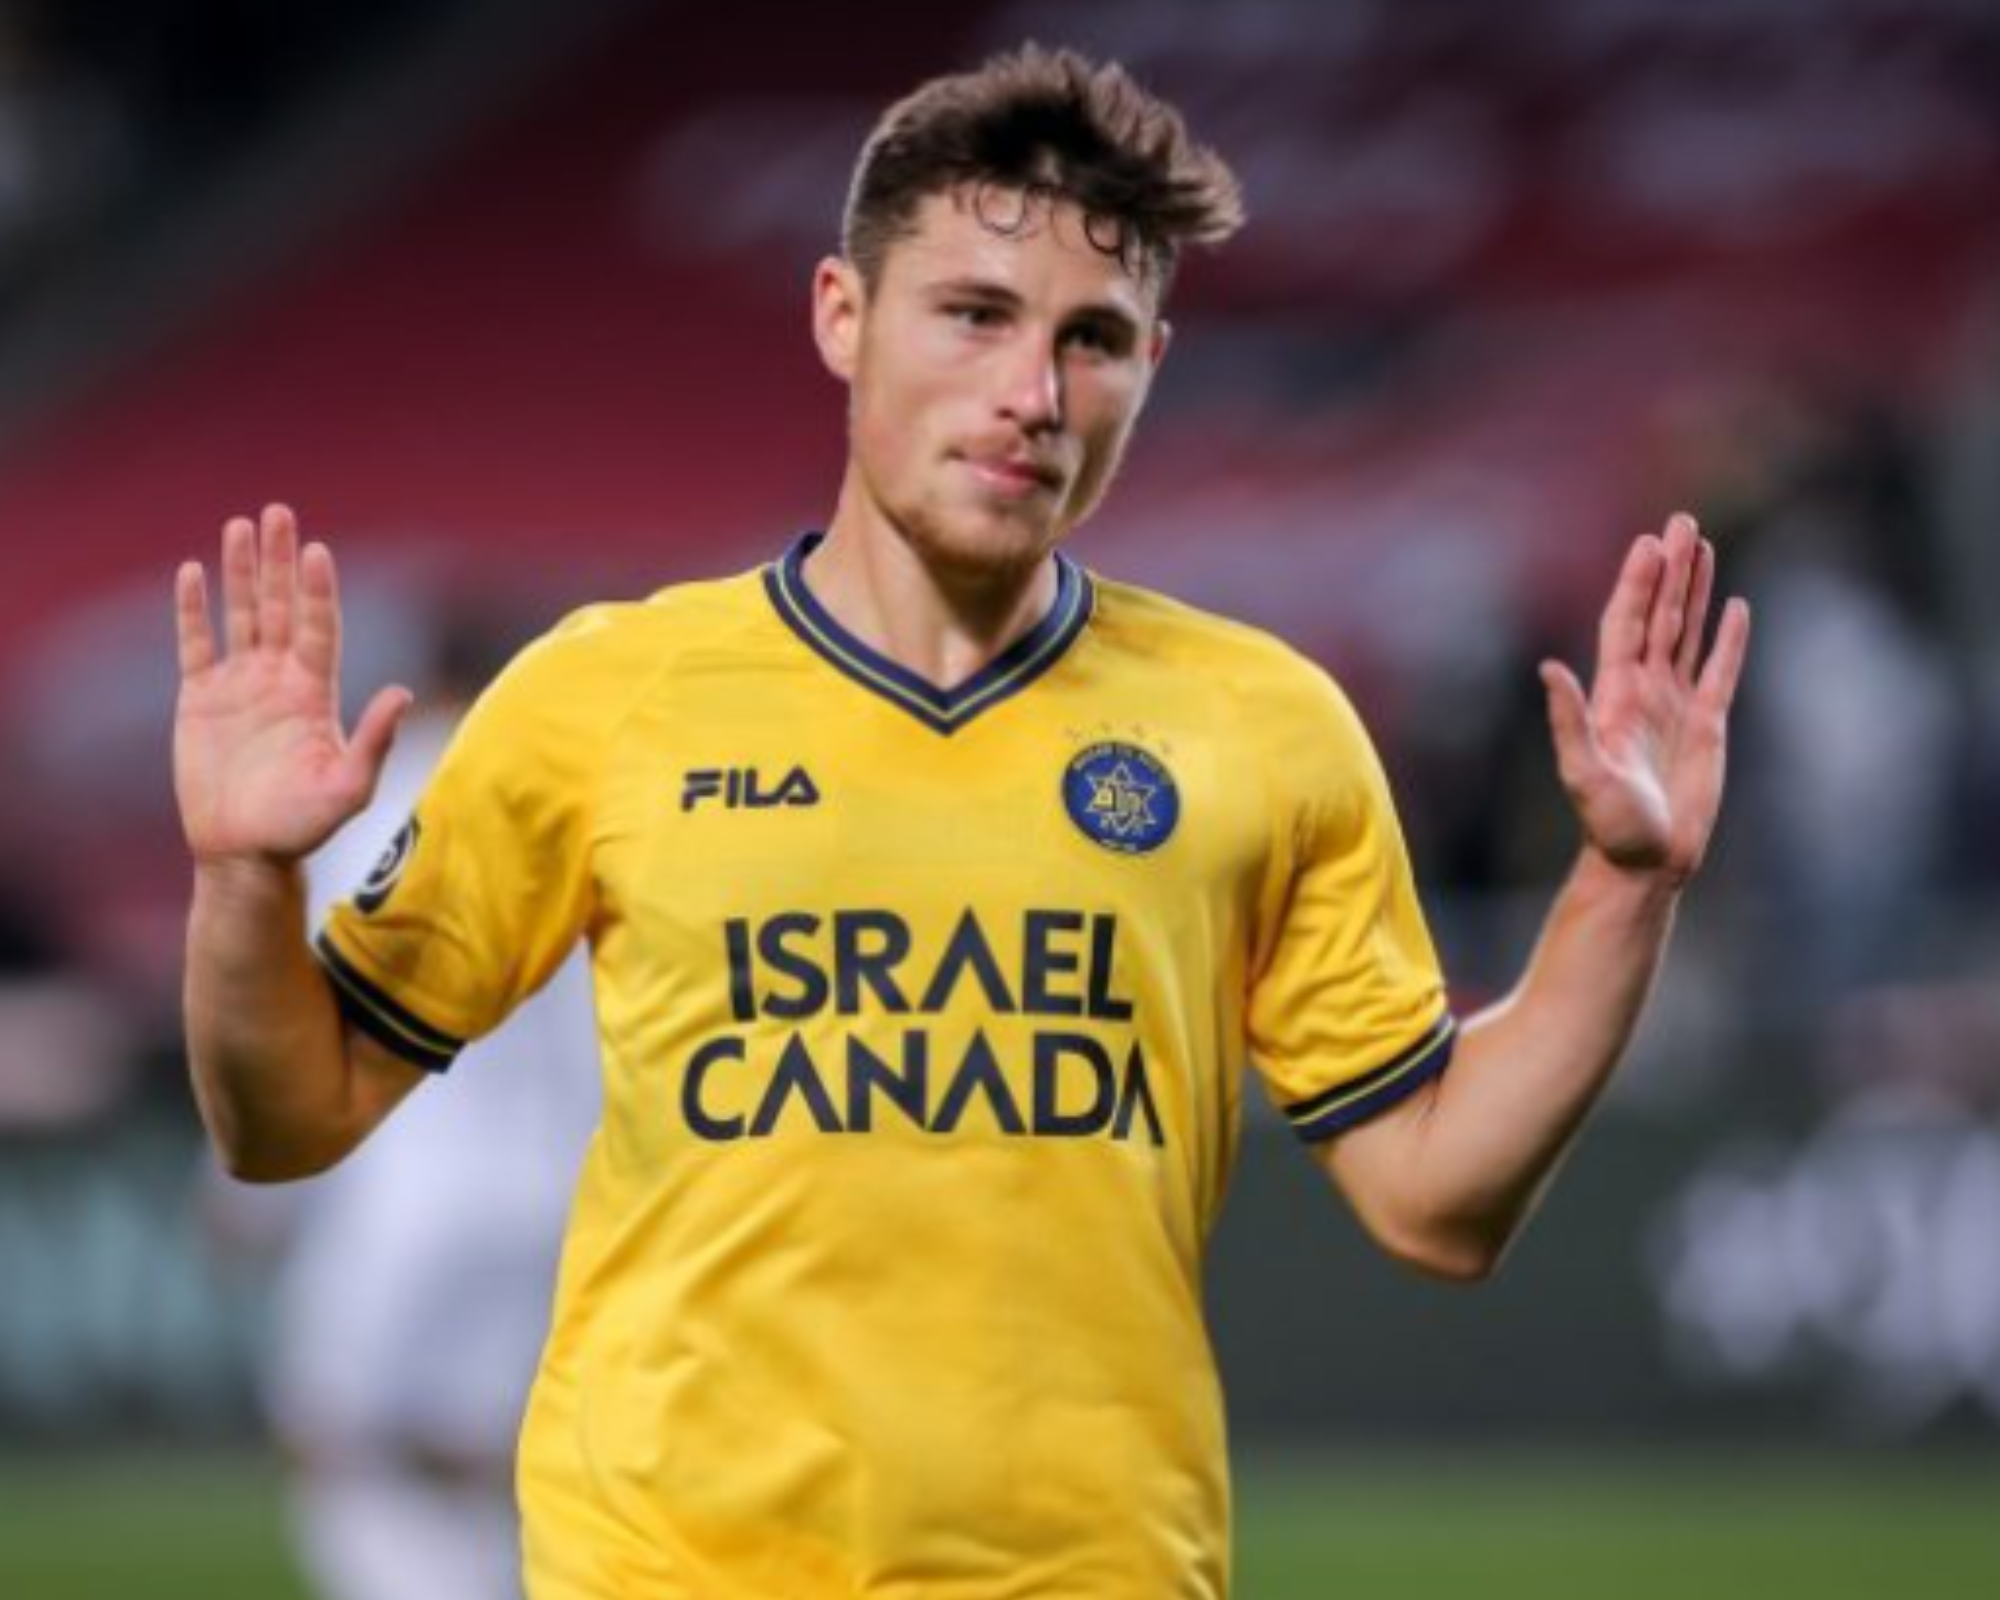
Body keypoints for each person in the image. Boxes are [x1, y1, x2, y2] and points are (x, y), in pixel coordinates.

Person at [171, 44, 1751, 1600]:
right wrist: (245, 879)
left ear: (1153, 364)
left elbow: (1438, 1199)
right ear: (841, 316)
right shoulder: (605, 698)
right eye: (976, 314)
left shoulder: (1264, 728)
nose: (1031, 395)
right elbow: (286, 1119)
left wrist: (1625, 887)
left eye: (1093, 338)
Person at [210, 636, 600, 1600]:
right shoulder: (577, 803)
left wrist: (243, 1192)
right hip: (556, 1190)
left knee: (341, 1440)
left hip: (402, 1187)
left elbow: (299, 1013)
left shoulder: (376, 811)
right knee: (510, 1458)